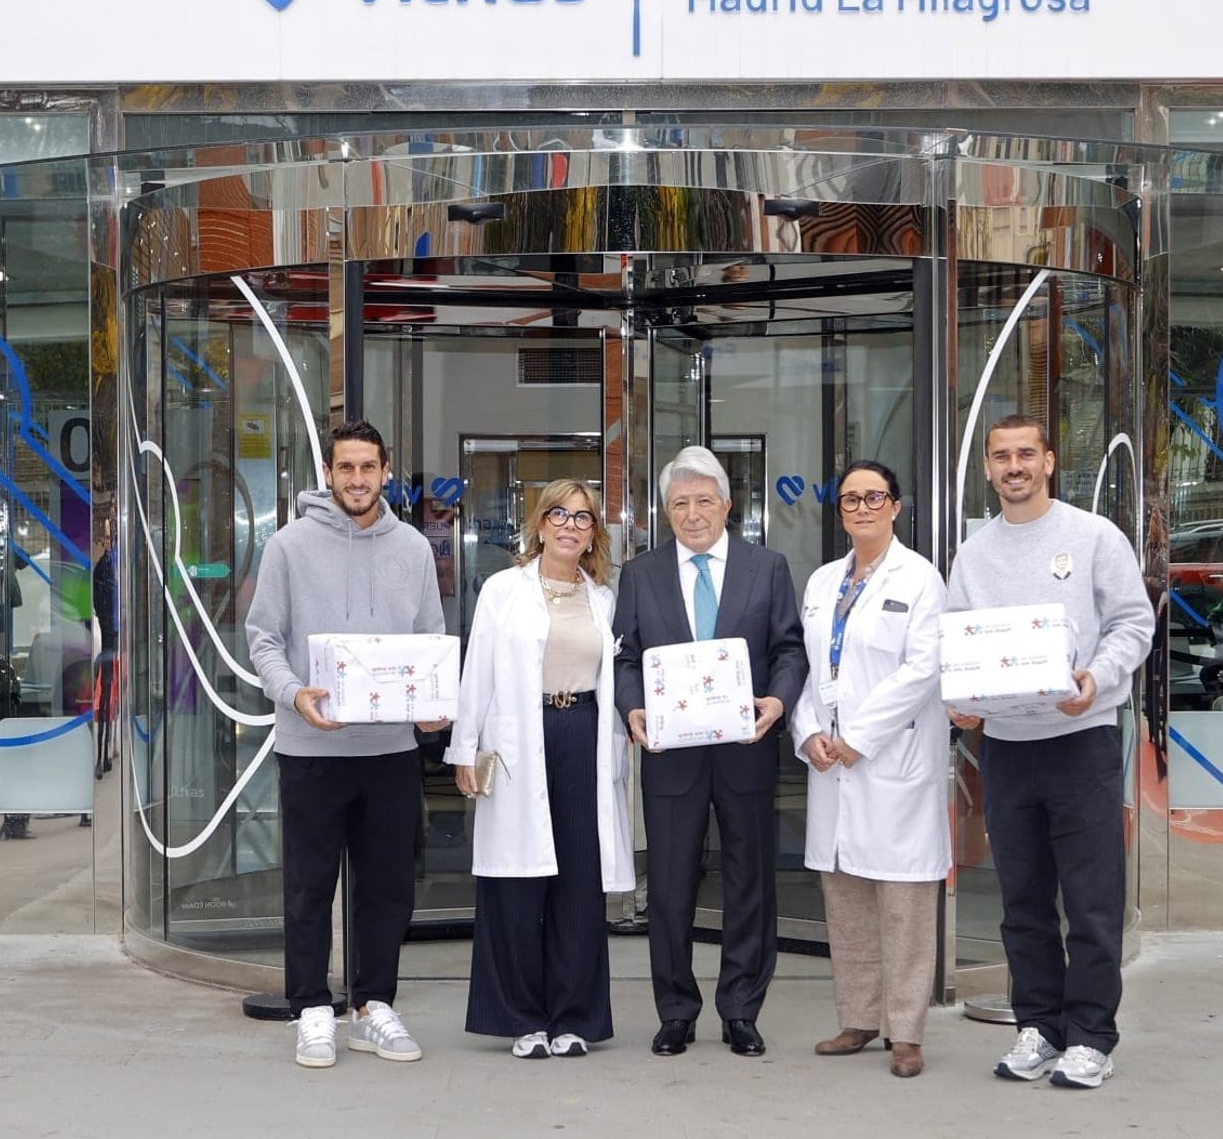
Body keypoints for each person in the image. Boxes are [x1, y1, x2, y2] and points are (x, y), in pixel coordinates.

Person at [946, 415, 1153, 1090]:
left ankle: (1091, 1036)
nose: (1015, 466)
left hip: (1081, 740)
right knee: (1023, 901)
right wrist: (959, 700)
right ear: (987, 469)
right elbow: (958, 641)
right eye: (1002, 456)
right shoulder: (973, 556)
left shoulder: (1093, 537)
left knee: (1092, 899)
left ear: (1049, 462)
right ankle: (1039, 1025)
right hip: (1006, 747)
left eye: (1026, 454)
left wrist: (1096, 678)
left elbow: (1134, 623)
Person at [244, 420, 449, 1071]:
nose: (357, 479)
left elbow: (430, 639)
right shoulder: (288, 546)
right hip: (311, 749)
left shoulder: (413, 549)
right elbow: (262, 637)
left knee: (387, 889)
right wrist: (293, 694)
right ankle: (311, 1009)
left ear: (386, 472)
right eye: (345, 468)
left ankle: (373, 1007)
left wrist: (432, 704)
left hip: (390, 752)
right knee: (309, 888)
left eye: (368, 467)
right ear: (328, 474)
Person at [611, 445, 808, 1058]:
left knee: (750, 881)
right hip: (671, 755)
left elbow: (789, 649)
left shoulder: (766, 566)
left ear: (727, 505)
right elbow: (623, 657)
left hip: (746, 749)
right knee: (669, 886)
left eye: (703, 501)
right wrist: (632, 707)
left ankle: (741, 1009)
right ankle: (676, 1011)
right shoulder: (640, 573)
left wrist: (778, 701)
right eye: (679, 504)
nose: (692, 514)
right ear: (665, 511)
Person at [445, 479, 634, 1061]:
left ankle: (573, 1017)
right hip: (519, 741)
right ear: (540, 523)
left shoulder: (603, 599)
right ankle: (522, 1018)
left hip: (583, 735)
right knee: (517, 884)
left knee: (579, 881)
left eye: (582, 518)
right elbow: (477, 671)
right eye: (559, 514)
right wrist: (463, 748)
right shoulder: (503, 590)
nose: (570, 526)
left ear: (594, 532)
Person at [789, 460, 948, 1079]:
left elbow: (922, 670)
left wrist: (858, 737)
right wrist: (808, 732)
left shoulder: (921, 578)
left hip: (890, 758)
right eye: (851, 499)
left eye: (874, 497)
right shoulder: (823, 581)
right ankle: (858, 1018)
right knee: (847, 898)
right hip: (833, 762)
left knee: (904, 906)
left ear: (896, 507)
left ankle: (905, 1033)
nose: (861, 508)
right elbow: (812, 669)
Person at [91, 505, 119, 780]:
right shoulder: (103, 567)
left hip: (123, 634)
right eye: (106, 537)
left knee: (117, 690)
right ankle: (102, 755)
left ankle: (111, 749)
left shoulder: (124, 563)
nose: (107, 542)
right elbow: (98, 603)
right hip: (111, 634)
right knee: (107, 689)